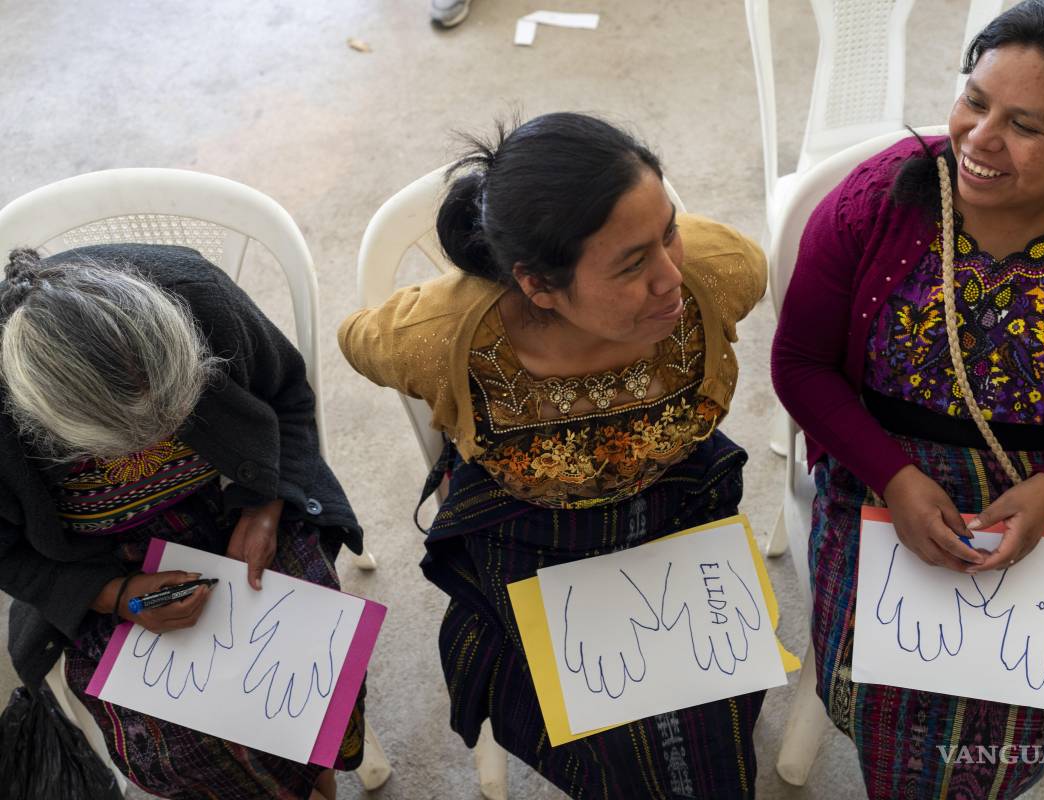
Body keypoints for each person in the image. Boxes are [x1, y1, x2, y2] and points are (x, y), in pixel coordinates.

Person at [770, 0, 1044, 797]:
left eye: (1027, 126)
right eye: (975, 99)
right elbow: (799, 364)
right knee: (882, 701)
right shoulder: (877, 201)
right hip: (878, 473)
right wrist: (894, 480)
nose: (978, 139)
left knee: (1010, 722)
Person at [340, 112, 768, 798]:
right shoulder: (439, 335)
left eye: (669, 235)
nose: (669, 280)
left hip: (679, 501)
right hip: (526, 528)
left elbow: (715, 266)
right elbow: (358, 339)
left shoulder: (717, 278)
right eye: (632, 264)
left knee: (709, 719)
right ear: (536, 285)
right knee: (605, 737)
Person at [0, 245, 367, 800]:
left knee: (319, 672)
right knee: (183, 746)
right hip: (89, 561)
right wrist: (114, 596)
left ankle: (319, 775)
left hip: (234, 499)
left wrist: (264, 509)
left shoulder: (200, 298)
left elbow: (288, 397)